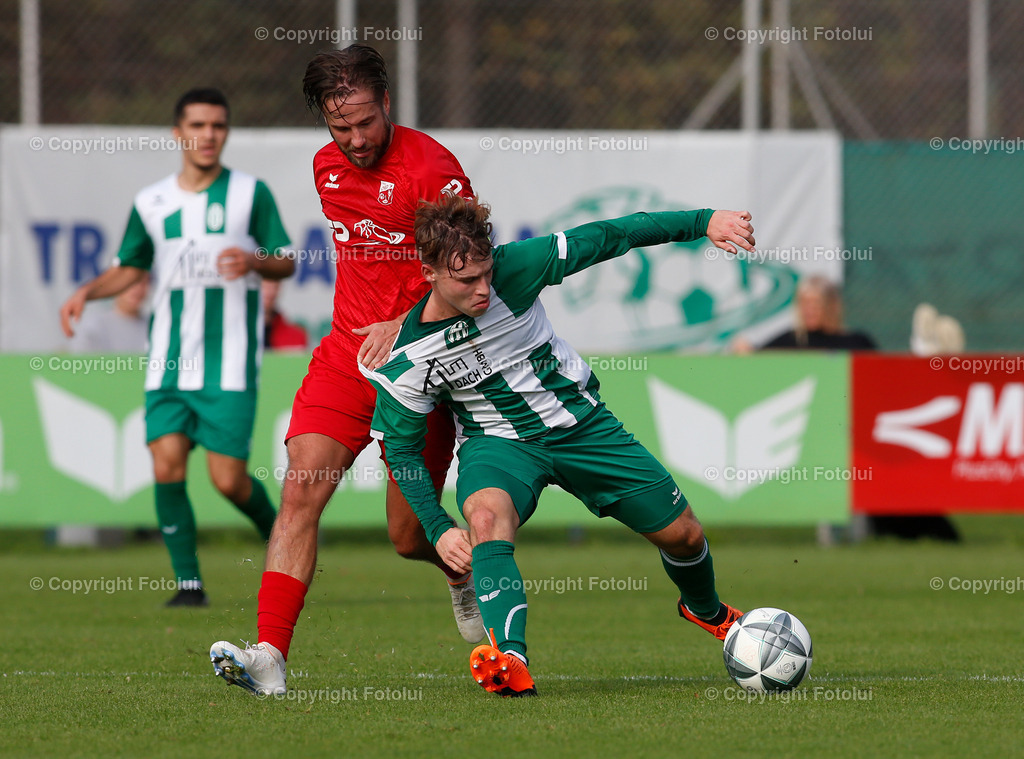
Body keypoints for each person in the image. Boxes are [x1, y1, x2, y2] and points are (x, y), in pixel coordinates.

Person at [363, 194, 755, 697]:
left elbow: (614, 233)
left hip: (584, 429)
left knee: (684, 536)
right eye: (467, 281)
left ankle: (705, 611)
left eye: (486, 272)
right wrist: (438, 529)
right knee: (484, 519)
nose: (484, 288)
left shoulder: (519, 268)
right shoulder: (408, 357)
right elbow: (400, 453)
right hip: (498, 446)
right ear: (429, 273)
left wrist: (704, 222)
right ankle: (510, 660)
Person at [210, 45, 482, 696]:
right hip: (346, 356)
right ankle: (270, 656)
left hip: (422, 365)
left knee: (408, 535)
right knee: (300, 490)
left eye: (365, 122)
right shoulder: (324, 167)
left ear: (386, 102)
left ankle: (457, 570)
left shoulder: (433, 169)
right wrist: (370, 327)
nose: (355, 140)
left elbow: (472, 270)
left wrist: (407, 320)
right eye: (341, 127)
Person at [60, 88, 296, 606]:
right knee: (165, 465)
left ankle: (282, 540)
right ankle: (189, 584)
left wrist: (255, 261)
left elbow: (286, 258)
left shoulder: (248, 194)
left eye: (218, 125)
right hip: (167, 363)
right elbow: (130, 267)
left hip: (229, 364)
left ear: (226, 132)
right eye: (198, 124)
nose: (208, 134)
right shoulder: (151, 201)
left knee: (229, 482)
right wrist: (86, 292)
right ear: (178, 132)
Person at [752, 275, 876, 351]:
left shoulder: (857, 343)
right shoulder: (788, 343)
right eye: (805, 303)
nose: (809, 310)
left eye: (816, 303)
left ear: (832, 305)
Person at [67, 274, 150, 354]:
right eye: (130, 283)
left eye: (142, 283)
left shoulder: (154, 326)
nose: (136, 290)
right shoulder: (93, 326)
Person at [262, 279, 308, 351]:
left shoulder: (296, 336)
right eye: (264, 286)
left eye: (275, 286)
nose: (270, 292)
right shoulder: (239, 334)